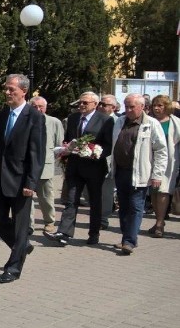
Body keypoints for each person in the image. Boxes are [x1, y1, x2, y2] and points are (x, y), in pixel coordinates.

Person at [0, 74, 45, 284]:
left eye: (12, 89)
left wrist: (31, 183)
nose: (7, 92)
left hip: (21, 182)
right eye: (6, 88)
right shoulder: (3, 114)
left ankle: (13, 267)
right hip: (1, 179)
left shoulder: (34, 117)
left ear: (23, 92)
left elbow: (37, 154)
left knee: (21, 226)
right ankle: (22, 247)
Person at [46, 92, 114, 247]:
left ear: (95, 104)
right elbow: (69, 139)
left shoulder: (105, 120)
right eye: (80, 103)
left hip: (94, 168)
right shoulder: (73, 118)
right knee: (71, 200)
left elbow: (109, 145)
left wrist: (96, 152)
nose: (81, 105)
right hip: (75, 166)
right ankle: (64, 233)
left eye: (85, 103)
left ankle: (94, 233)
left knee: (95, 202)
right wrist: (66, 149)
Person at [111, 94, 167, 255]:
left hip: (140, 173)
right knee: (123, 208)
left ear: (142, 107)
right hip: (121, 171)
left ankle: (130, 241)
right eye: (126, 106)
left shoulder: (151, 124)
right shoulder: (120, 122)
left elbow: (161, 151)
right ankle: (125, 238)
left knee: (135, 207)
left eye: (132, 107)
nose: (128, 110)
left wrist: (157, 175)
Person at [145, 95, 180, 238]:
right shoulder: (149, 121)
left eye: (160, 105)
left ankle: (160, 223)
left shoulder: (176, 122)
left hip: (169, 162)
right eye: (154, 105)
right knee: (153, 190)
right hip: (150, 160)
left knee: (164, 190)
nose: (156, 108)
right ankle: (158, 220)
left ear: (167, 107)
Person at [29, 96, 63, 234]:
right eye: (34, 107)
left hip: (45, 166)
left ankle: (49, 221)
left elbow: (59, 145)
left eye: (40, 106)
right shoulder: (26, 120)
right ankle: (29, 224)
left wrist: (51, 159)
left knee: (46, 197)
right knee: (27, 198)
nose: (38, 109)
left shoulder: (54, 122)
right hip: (28, 166)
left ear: (46, 107)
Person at [98, 95, 122, 228]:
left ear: (113, 107)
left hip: (110, 161)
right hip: (94, 160)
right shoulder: (96, 119)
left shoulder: (119, 121)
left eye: (104, 104)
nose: (101, 106)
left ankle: (103, 219)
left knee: (106, 192)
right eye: (100, 104)